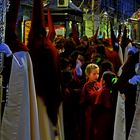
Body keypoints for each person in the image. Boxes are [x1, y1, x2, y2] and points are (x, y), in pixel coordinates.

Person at [93, 71, 118, 140]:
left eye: (101, 78)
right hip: (113, 116)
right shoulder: (115, 91)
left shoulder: (102, 91)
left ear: (103, 81)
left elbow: (97, 106)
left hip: (103, 118)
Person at [80, 63, 100, 140]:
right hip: (90, 112)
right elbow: (91, 97)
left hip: (97, 111)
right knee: (90, 131)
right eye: (94, 74)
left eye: (98, 73)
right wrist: (100, 91)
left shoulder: (98, 84)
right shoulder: (87, 85)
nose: (96, 76)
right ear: (88, 74)